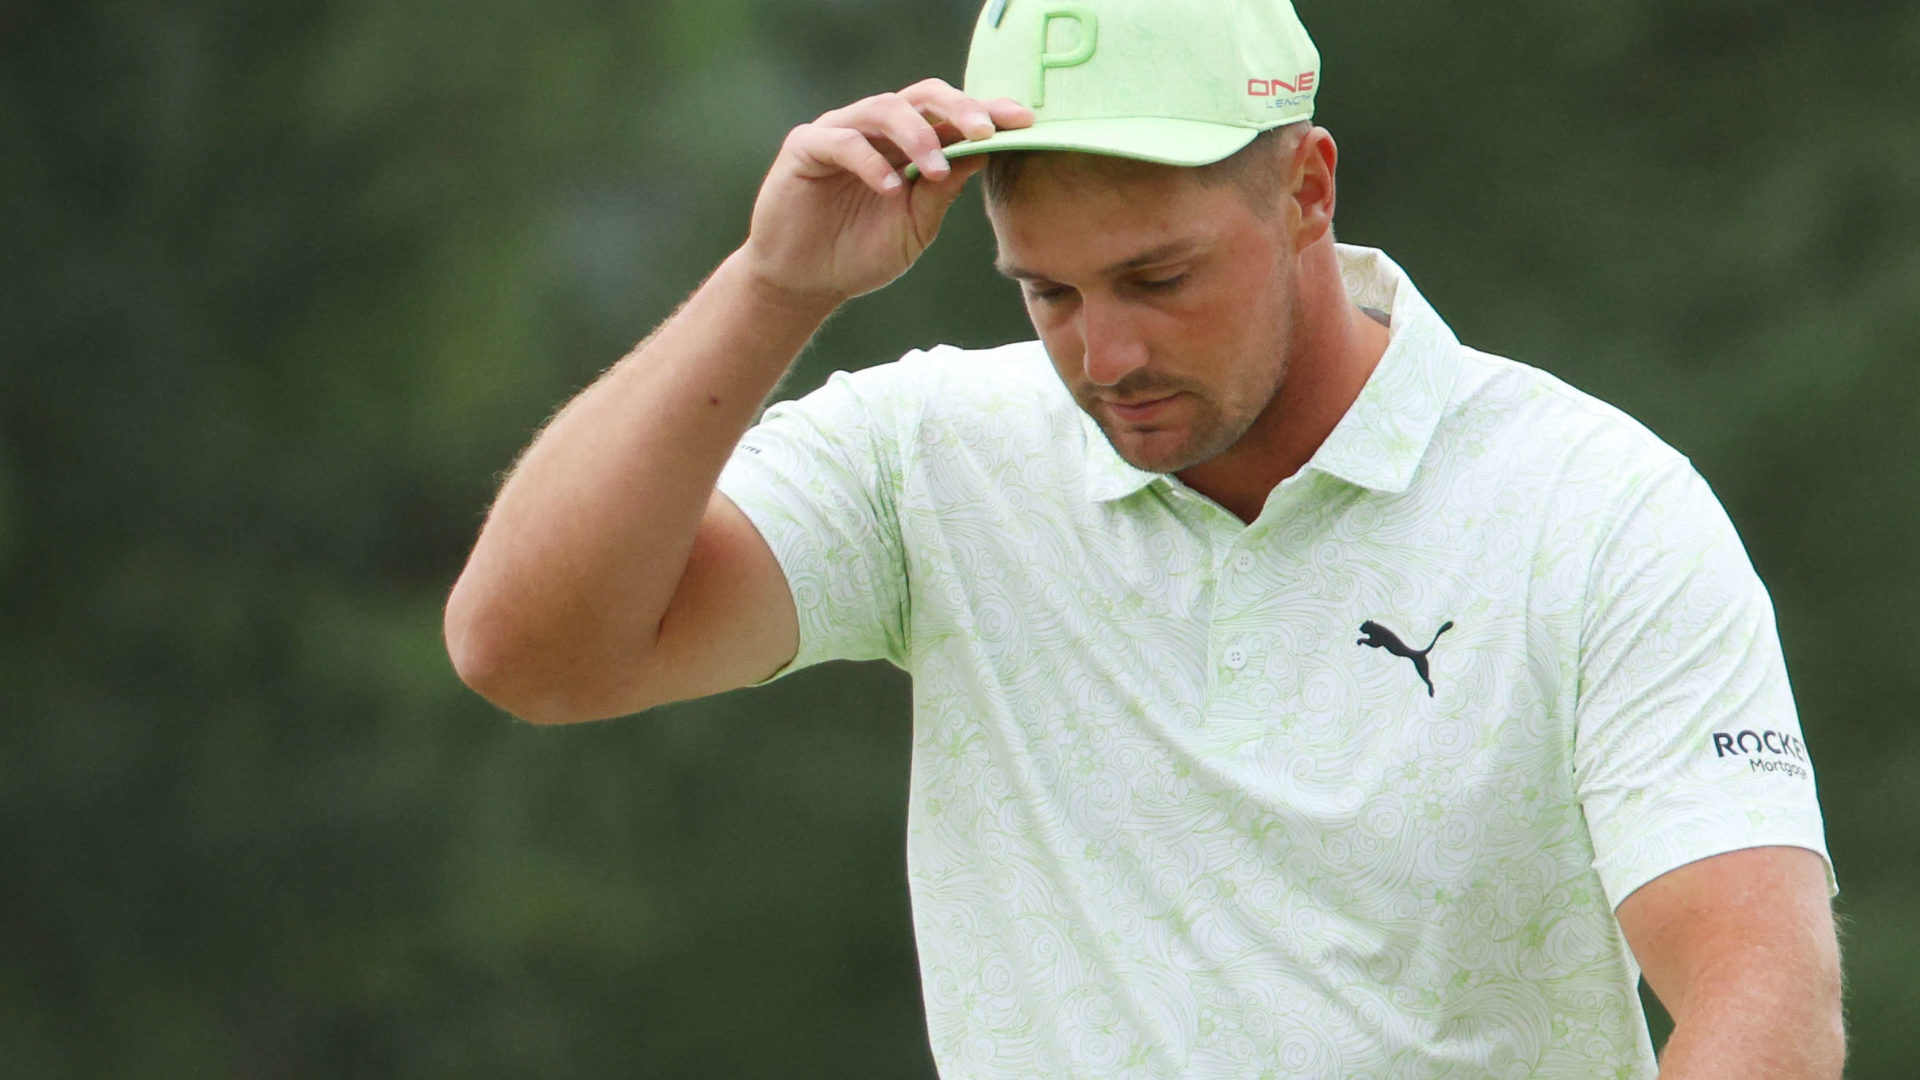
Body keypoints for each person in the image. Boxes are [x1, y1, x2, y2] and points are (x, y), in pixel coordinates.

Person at [444, 0, 1844, 1075]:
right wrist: (771, 290)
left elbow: (1760, 1007)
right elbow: (534, 653)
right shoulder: (930, 453)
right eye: (1046, 292)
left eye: (1157, 277)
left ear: (1306, 186)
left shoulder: (1593, 508)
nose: (1104, 353)